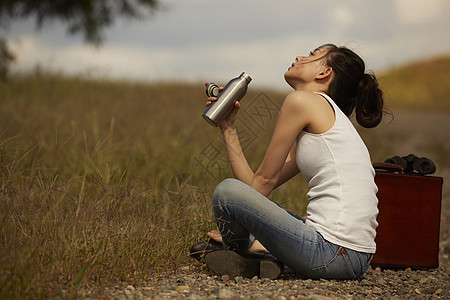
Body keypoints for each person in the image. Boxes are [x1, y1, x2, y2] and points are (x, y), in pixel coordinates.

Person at [190, 43, 385, 280]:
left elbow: (262, 182)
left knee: (226, 191)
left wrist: (237, 223)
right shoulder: (325, 118)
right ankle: (258, 254)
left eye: (312, 55)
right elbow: (255, 188)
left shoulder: (301, 101)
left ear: (324, 73)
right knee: (234, 195)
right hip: (354, 258)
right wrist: (228, 128)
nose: (299, 57)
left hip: (332, 253)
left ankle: (242, 252)